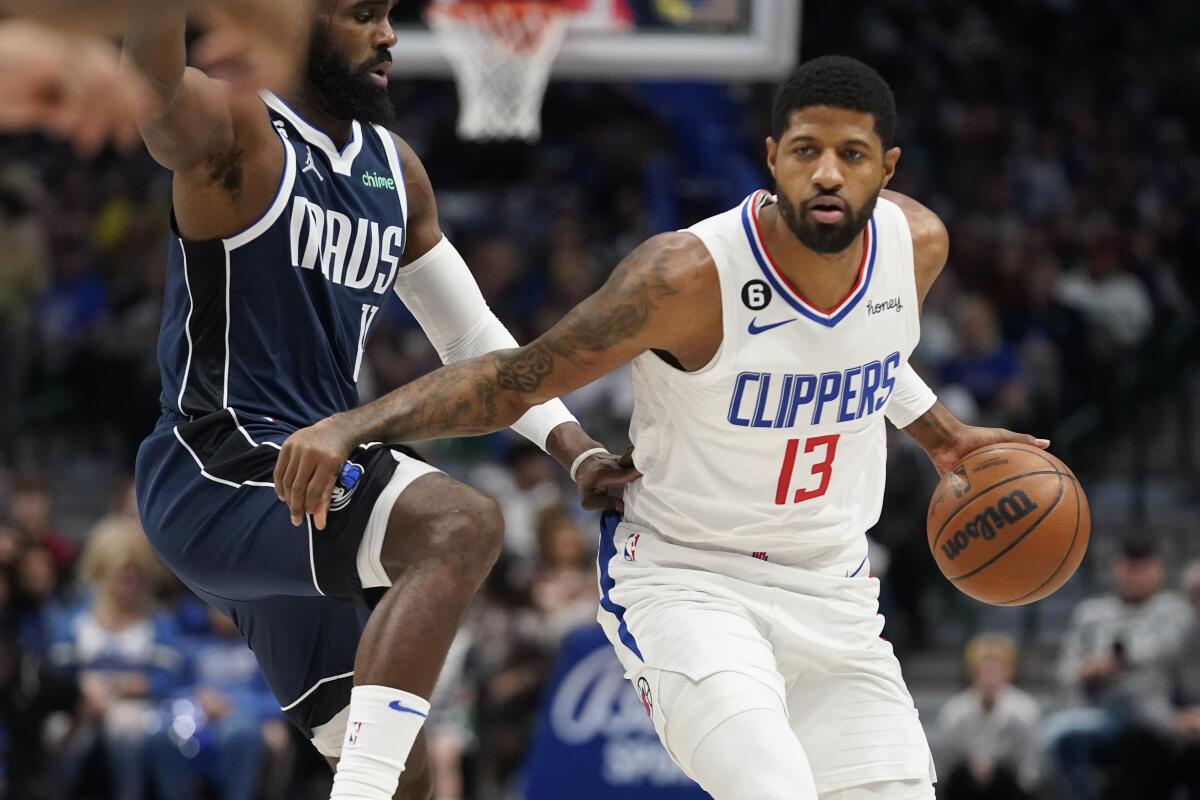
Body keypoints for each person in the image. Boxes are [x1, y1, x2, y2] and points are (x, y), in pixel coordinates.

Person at [276, 55, 1052, 799]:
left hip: (835, 588)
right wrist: (356, 423)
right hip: (690, 581)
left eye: (851, 154)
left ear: (887, 168)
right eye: (807, 151)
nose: (826, 173)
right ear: (772, 157)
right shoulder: (684, 277)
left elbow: (860, 345)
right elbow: (515, 379)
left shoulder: (915, 249)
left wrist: (942, 433)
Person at [123, 3, 624, 798]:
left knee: (409, 778)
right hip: (214, 467)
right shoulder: (239, 129)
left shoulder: (394, 170)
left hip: (303, 495)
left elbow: (473, 342)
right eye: (363, 13)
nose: (388, 33)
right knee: (458, 523)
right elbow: (150, 89)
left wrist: (577, 449)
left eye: (390, 13)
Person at [1042, 537, 1192, 800]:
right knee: (1058, 733)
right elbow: (1064, 671)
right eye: (1128, 567)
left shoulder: (1176, 612)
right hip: (1104, 714)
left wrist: (1118, 659)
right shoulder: (1091, 613)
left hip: (1160, 715)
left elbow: (1171, 654)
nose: (1135, 576)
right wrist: (1085, 669)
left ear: (1157, 570)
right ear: (1116, 568)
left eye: (1142, 568)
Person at [933, 634, 1041, 800]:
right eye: (983, 670)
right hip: (965, 784)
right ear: (973, 671)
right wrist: (974, 765)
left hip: (1009, 785)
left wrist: (996, 766)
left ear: (1009, 671)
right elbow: (945, 764)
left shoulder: (1026, 709)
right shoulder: (953, 710)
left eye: (996, 669)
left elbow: (1030, 767)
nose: (989, 676)